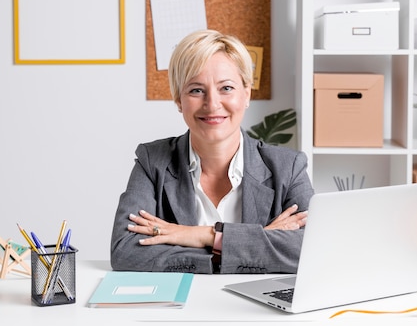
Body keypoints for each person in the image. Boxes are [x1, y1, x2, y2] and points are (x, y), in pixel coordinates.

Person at [111, 29, 313, 274]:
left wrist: (203, 235)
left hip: (256, 310)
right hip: (179, 307)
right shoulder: (153, 162)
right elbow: (125, 251)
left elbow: (314, 249)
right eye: (196, 90)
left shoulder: (287, 167)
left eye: (226, 88)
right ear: (178, 99)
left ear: (246, 94)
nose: (212, 104)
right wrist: (244, 245)